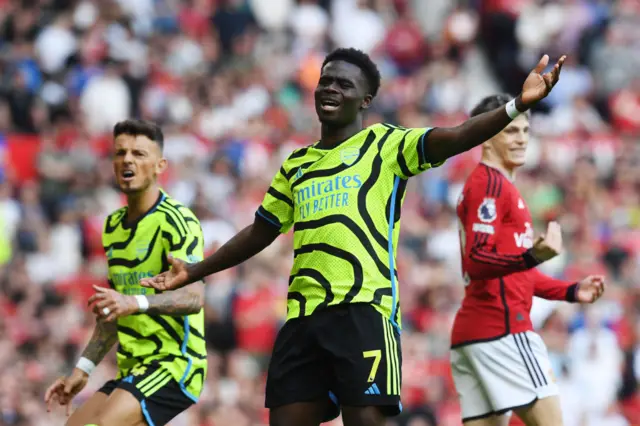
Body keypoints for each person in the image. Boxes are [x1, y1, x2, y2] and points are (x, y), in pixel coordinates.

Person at [141, 48, 566, 426]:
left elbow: (455, 137)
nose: (330, 88)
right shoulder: (297, 164)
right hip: (303, 319)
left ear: (364, 101)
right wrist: (195, 270)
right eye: (325, 80)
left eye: (344, 84)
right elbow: (259, 231)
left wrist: (515, 107)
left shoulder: (386, 145)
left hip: (364, 312)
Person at [450, 94, 606, 426]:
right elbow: (478, 260)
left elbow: (513, 271)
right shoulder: (490, 185)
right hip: (503, 330)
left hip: (475, 333)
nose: (521, 138)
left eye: (525, 130)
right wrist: (533, 255)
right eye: (510, 130)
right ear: (485, 136)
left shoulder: (498, 185)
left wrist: (569, 290)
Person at [44, 119, 207, 426]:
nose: (127, 160)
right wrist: (83, 370)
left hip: (174, 364)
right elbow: (112, 311)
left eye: (139, 153)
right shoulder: (112, 228)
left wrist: (136, 303)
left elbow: (195, 297)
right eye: (120, 153)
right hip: (133, 368)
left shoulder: (177, 221)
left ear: (160, 166)